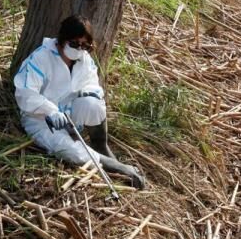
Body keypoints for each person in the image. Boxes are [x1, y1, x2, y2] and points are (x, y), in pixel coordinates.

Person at [14, 15, 146, 189]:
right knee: (70, 151)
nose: (79, 49)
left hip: (69, 114)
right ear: (62, 40)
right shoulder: (41, 58)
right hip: (42, 120)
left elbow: (93, 84)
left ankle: (101, 145)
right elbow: (25, 93)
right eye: (74, 44)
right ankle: (117, 167)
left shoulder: (84, 59)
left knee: (93, 104)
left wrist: (90, 92)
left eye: (85, 46)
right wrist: (51, 111)